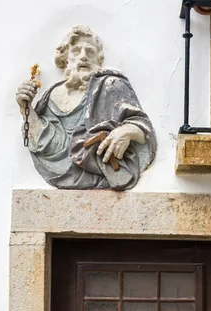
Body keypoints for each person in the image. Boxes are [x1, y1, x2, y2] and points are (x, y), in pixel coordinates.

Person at [16, 26, 156, 190]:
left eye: (90, 52)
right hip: (59, 174)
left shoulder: (110, 85)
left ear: (98, 59)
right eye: (76, 51)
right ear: (66, 58)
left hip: (106, 168)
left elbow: (143, 127)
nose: (83, 56)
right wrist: (25, 107)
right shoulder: (51, 95)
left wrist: (126, 131)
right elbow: (42, 140)